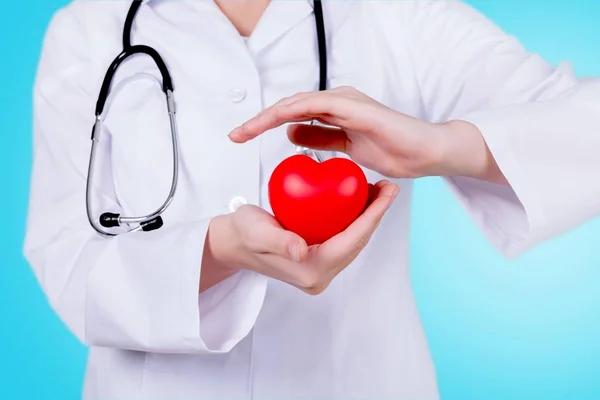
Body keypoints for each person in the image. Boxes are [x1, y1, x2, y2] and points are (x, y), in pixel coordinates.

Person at [24, 0, 600, 399]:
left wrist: (447, 146)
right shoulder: (89, 29)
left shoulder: (396, 16)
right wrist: (220, 249)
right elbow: (69, 260)